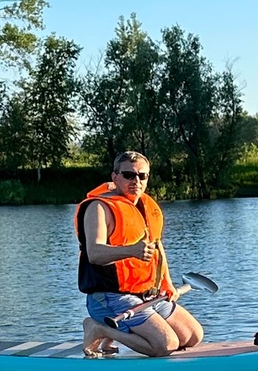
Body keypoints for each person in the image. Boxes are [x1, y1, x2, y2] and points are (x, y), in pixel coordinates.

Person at [76, 152, 206, 357]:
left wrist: (167, 283)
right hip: (110, 296)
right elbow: (94, 253)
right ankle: (100, 329)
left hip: (145, 295)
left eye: (142, 176)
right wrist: (132, 250)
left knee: (193, 336)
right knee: (165, 345)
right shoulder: (98, 207)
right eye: (129, 175)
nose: (136, 180)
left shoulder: (146, 206)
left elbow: (157, 247)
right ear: (115, 177)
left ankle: (113, 333)